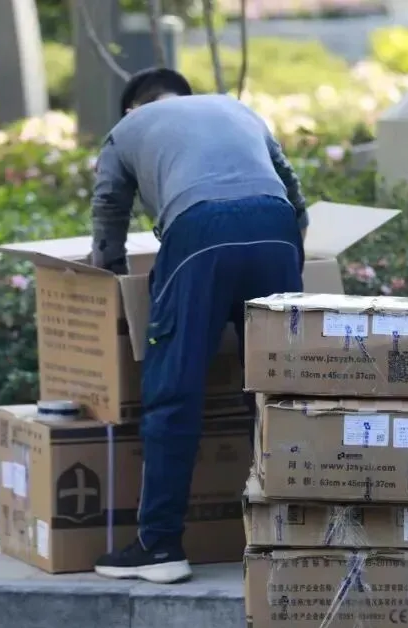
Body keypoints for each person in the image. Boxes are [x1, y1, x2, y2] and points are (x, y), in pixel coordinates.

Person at [89, 67, 308, 584]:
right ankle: (291, 539)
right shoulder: (235, 108)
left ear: (131, 108)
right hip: (276, 229)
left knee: (174, 390)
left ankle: (161, 545)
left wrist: (112, 279)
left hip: (200, 231)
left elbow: (108, 209)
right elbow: (293, 192)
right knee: (283, 390)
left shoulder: (126, 132)